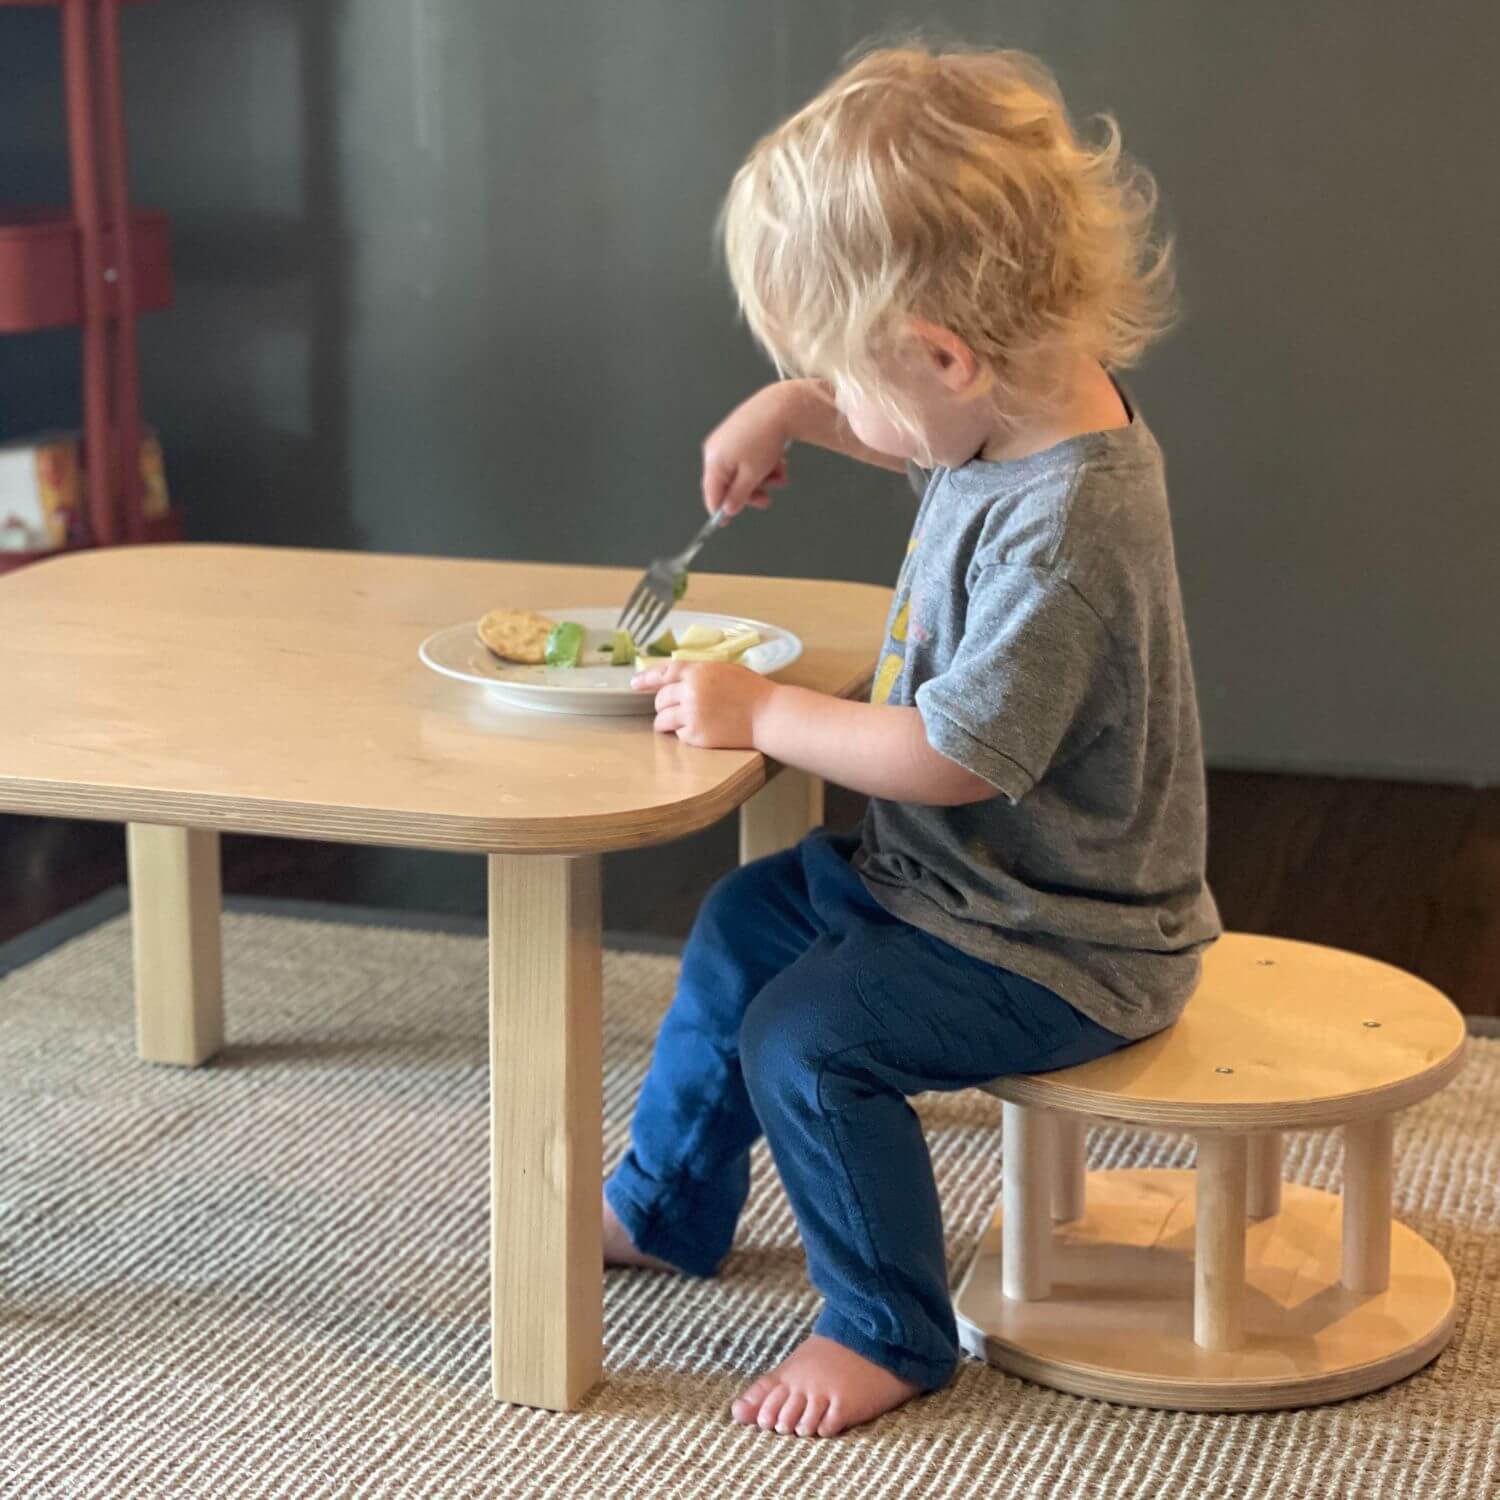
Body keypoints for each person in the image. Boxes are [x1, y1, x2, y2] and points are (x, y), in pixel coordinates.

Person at [605, 43, 1223, 1438]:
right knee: (742, 924)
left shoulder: (1070, 530)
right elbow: (929, 430)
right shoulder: (1022, 408)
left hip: (1063, 940)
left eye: (845, 374)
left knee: (808, 1041)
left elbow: (951, 756)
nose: (844, 403)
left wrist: (765, 712)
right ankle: (667, 1202)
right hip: (948, 886)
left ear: (948, 353)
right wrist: (798, 408)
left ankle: (886, 1328)